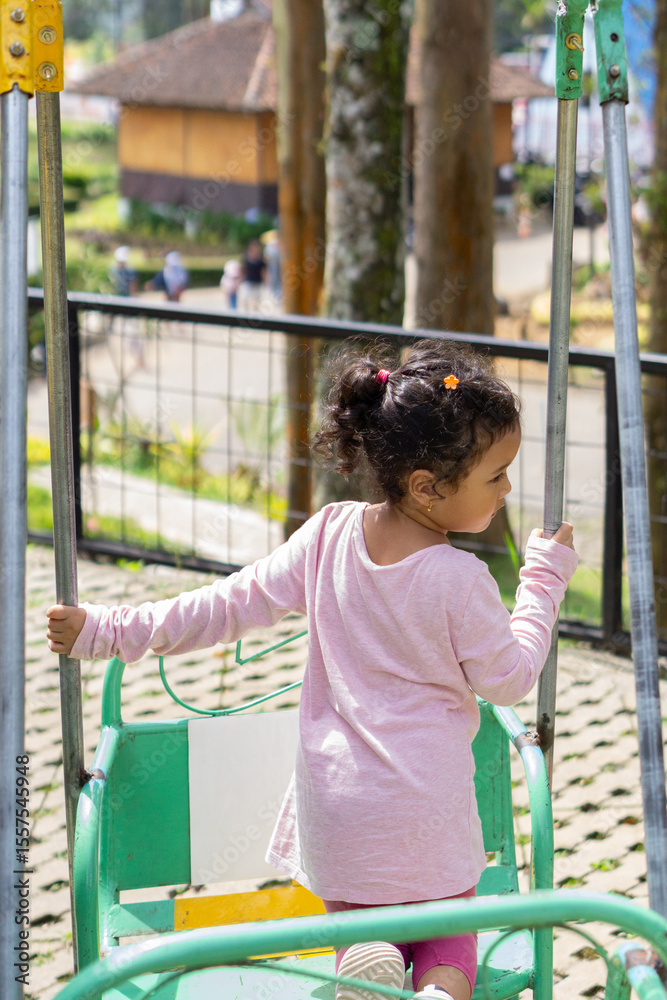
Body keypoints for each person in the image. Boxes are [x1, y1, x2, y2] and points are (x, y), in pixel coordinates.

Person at [46, 340, 577, 1000]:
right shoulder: (458, 579)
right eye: (495, 476)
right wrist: (542, 581)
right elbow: (509, 678)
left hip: (343, 822)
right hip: (428, 820)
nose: (504, 492)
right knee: (449, 945)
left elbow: (224, 605)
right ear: (426, 487)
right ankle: (439, 990)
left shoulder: (328, 534)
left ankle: (368, 959)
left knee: (364, 936)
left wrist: (104, 630)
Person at [238, 238, 266, 311]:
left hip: (257, 281)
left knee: (256, 301)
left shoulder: (260, 258)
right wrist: (240, 278)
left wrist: (265, 280)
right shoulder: (246, 257)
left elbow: (263, 270)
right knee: (245, 298)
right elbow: (243, 268)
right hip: (248, 281)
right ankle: (245, 314)